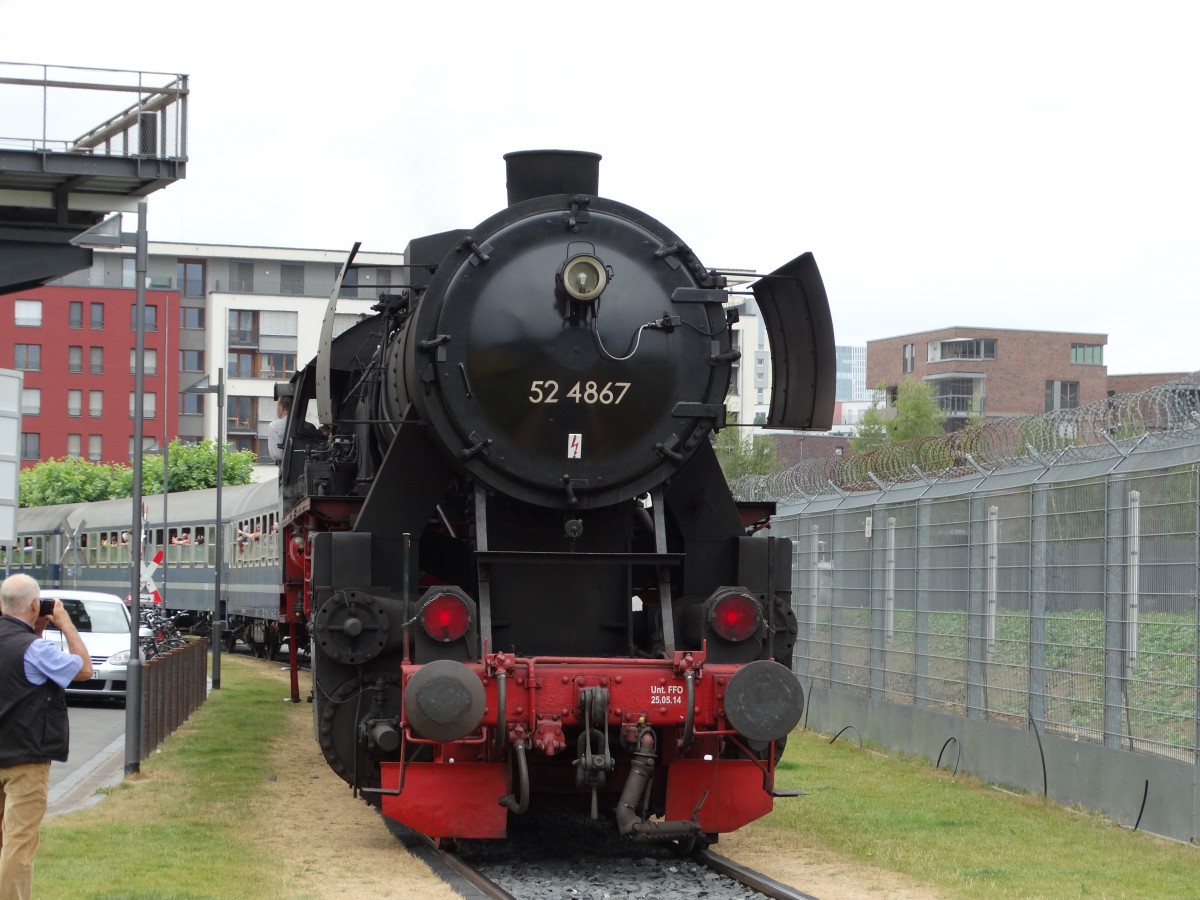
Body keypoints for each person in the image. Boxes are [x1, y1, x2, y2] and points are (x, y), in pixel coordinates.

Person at [0, 573, 94, 900]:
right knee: (18, 842)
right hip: (25, 759)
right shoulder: (35, 650)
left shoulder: (26, 642)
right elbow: (83, 669)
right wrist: (66, 624)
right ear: (32, 605)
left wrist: (36, 628)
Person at [267, 396, 290, 464]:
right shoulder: (310, 426)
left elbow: (278, 455)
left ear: (281, 407)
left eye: (277, 405)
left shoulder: (274, 426)